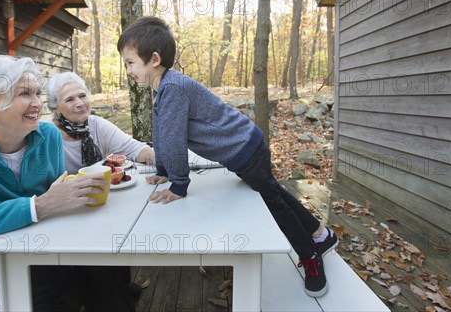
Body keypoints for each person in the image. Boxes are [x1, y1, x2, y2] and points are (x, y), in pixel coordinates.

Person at [117, 16, 339, 298]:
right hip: (243, 148)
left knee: (273, 202)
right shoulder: (161, 87)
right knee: (274, 191)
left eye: (130, 62)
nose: (128, 70)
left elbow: (173, 140)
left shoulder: (172, 87)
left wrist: (178, 185)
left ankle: (310, 256)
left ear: (155, 59)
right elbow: (162, 131)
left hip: (244, 148)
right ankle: (321, 235)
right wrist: (163, 168)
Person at [0, 55, 136, 311]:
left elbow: (52, 200)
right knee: (65, 286)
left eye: (38, 93)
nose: (38, 103)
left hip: (33, 244)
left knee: (107, 262)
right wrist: (33, 208)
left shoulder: (47, 136)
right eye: (25, 94)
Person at [47, 71, 154, 174]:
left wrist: (167, 162)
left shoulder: (96, 124)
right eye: (69, 99)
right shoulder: (47, 135)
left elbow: (136, 149)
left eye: (82, 96)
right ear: (55, 108)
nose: (80, 103)